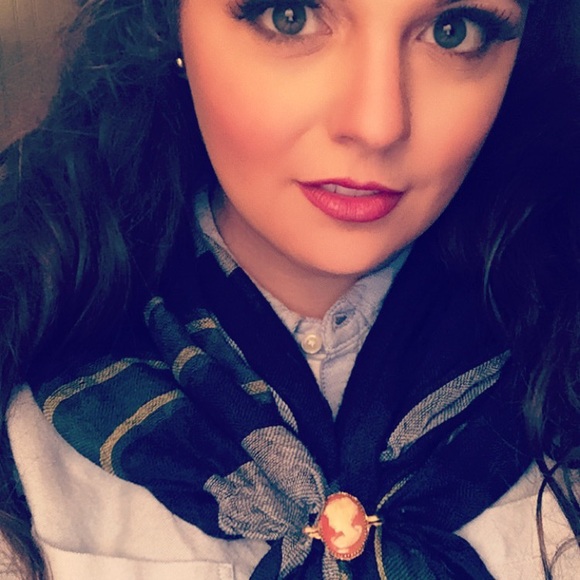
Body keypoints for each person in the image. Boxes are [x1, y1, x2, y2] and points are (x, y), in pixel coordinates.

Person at [0, 0, 579, 578]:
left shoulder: (560, 357)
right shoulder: (25, 355)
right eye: (290, 16)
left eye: (453, 32)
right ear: (168, 20)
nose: (377, 125)